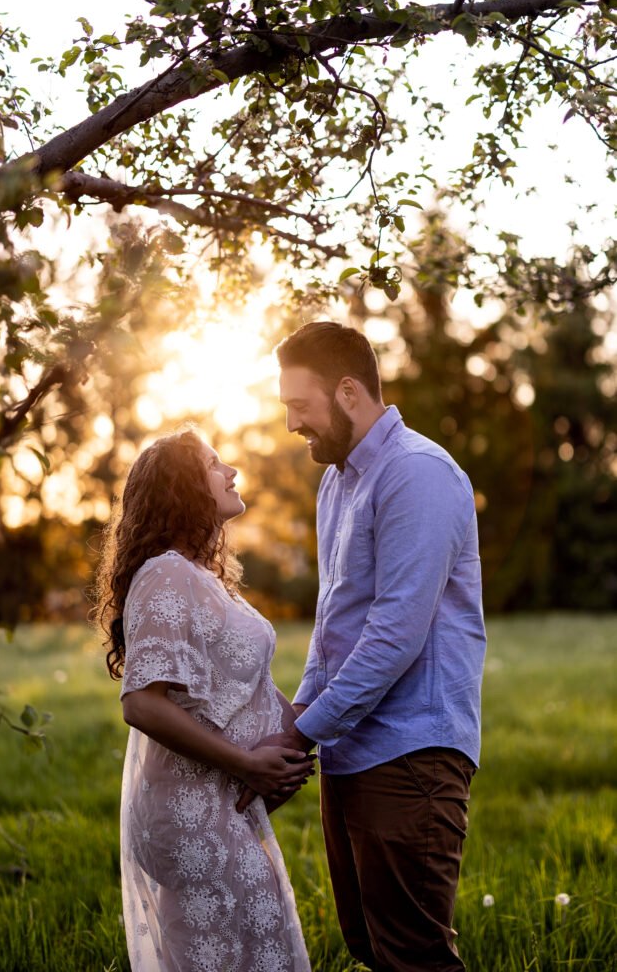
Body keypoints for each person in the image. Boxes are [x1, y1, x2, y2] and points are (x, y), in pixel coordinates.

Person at [239, 321, 486, 972]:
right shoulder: (336, 482)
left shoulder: (416, 474)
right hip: (351, 753)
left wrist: (298, 737)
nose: (292, 424)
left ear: (347, 391)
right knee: (370, 948)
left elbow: (394, 633)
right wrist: (296, 722)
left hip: (411, 751)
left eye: (299, 406)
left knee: (413, 957)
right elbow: (334, 629)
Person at [96, 429, 313, 972]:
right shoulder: (166, 572)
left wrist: (315, 727)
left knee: (250, 949)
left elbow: (246, 687)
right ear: (181, 489)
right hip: (190, 809)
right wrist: (249, 765)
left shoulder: (199, 577)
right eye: (216, 465)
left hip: (218, 804)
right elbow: (142, 704)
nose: (233, 472)